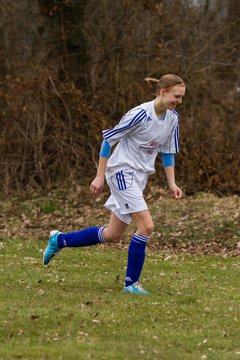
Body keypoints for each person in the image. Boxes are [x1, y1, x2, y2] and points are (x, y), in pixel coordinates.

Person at [43, 74, 186, 295]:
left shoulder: (173, 119)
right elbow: (108, 140)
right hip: (120, 172)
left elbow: (167, 153)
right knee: (146, 226)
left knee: (112, 235)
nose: (179, 102)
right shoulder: (139, 114)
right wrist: (100, 176)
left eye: (181, 98)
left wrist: (172, 183)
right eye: (176, 96)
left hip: (139, 177)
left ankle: (59, 240)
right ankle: (131, 283)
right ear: (163, 92)